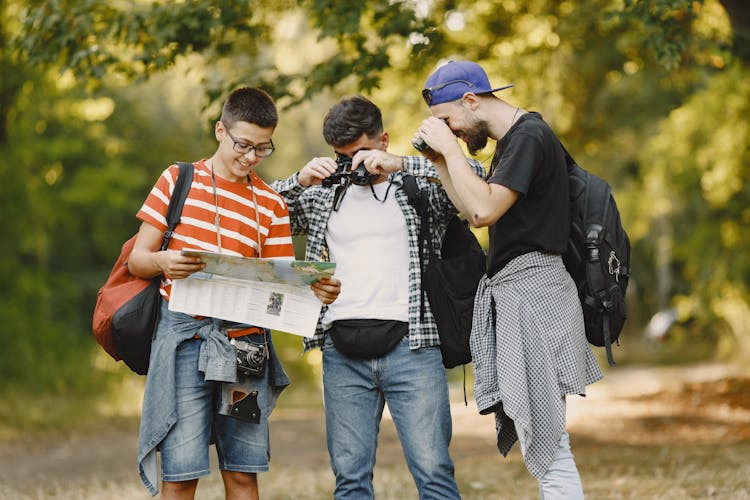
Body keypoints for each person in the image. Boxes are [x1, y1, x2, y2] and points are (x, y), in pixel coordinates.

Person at [127, 87, 341, 499]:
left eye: (263, 149)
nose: (250, 157)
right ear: (220, 130)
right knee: (181, 470)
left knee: (243, 471)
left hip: (245, 350)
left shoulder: (271, 203)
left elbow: (282, 285)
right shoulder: (179, 179)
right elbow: (139, 258)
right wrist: (164, 262)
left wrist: (318, 292)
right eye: (242, 144)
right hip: (184, 341)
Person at [271, 95, 485, 499]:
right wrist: (298, 180)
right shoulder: (322, 196)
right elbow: (259, 211)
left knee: (434, 473)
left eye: (361, 153)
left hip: (413, 348)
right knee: (350, 480)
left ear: (384, 141)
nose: (353, 165)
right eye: (342, 157)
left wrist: (404, 163)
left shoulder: (417, 188)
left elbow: (474, 176)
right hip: (341, 352)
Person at [414, 60, 604, 499]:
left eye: (448, 120)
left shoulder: (528, 136)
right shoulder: (514, 141)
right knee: (550, 444)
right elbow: (471, 208)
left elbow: (483, 212)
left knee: (551, 447)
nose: (453, 130)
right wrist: (442, 160)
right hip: (524, 294)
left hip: (535, 296)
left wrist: (453, 151)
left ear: (470, 100)